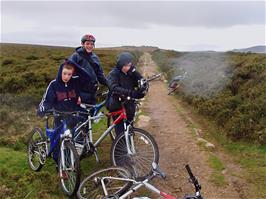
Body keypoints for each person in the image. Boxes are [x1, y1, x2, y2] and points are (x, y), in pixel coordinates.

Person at [106, 52, 147, 136]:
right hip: (117, 104)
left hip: (129, 105)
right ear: (120, 64)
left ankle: (128, 145)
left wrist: (142, 90)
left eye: (129, 65)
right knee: (121, 132)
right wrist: (131, 93)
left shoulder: (130, 73)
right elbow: (114, 88)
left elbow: (141, 81)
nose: (127, 68)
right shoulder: (113, 74)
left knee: (129, 129)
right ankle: (119, 148)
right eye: (125, 65)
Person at [69, 34, 108, 105]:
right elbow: (68, 77)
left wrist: (110, 84)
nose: (90, 46)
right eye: (87, 44)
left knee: (91, 114)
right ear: (82, 44)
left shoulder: (95, 58)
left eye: (92, 44)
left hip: (92, 93)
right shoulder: (75, 57)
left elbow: (100, 76)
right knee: (80, 115)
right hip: (79, 94)